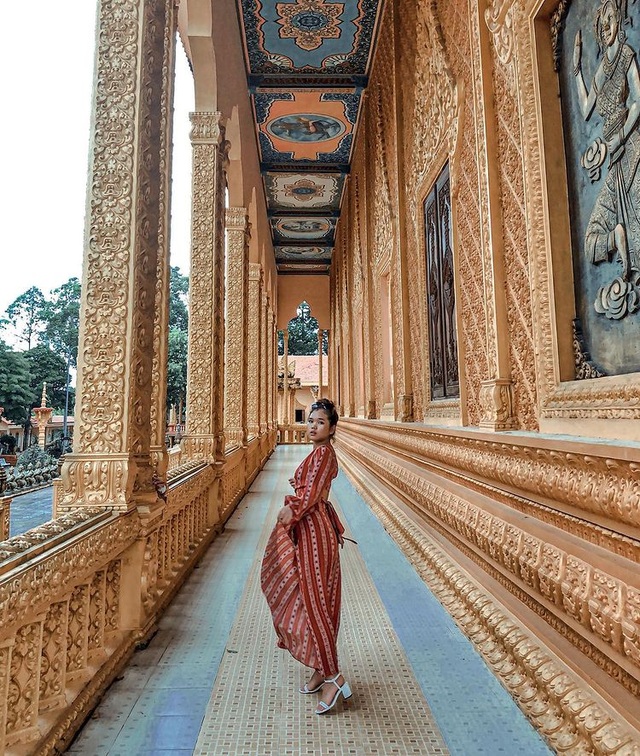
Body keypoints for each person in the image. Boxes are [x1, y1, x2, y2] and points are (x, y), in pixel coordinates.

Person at [261, 398, 352, 715]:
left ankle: (333, 676)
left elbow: (310, 494)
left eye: (320, 422)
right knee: (308, 598)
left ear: (332, 428)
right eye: (310, 420)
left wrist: (291, 509)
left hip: (315, 534)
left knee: (315, 604)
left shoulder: (324, 454)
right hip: (312, 529)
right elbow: (312, 490)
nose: (313, 425)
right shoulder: (319, 454)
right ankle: (319, 665)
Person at [573, 0, 640, 283]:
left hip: (631, 146)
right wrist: (577, 71)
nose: (606, 26)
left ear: (619, 20)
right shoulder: (602, 68)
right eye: (601, 24)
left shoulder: (625, 54)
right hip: (613, 158)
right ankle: (615, 239)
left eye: (611, 18)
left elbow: (637, 101)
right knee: (591, 241)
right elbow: (587, 106)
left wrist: (622, 137)